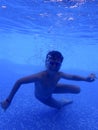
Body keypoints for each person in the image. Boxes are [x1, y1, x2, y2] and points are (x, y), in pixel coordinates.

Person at [0, 50, 96, 110]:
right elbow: (19, 81)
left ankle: (60, 97)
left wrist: (86, 79)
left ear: (60, 65)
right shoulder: (39, 76)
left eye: (57, 64)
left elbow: (73, 76)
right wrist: (8, 101)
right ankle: (63, 101)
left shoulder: (59, 74)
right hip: (44, 97)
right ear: (46, 63)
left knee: (77, 89)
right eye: (52, 63)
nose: (54, 66)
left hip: (52, 88)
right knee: (59, 106)